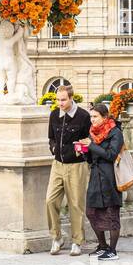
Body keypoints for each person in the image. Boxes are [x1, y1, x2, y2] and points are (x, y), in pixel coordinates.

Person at [45, 85, 91, 255]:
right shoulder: (54, 115)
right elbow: (51, 138)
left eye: (63, 100)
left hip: (77, 166)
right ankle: (56, 237)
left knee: (76, 204)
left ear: (72, 98)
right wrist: (53, 149)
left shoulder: (83, 116)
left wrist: (80, 150)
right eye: (58, 99)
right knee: (50, 200)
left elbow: (88, 140)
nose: (60, 103)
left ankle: (77, 241)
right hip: (57, 165)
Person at [75, 102, 124, 261]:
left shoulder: (115, 132)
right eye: (91, 117)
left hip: (110, 177)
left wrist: (92, 146)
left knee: (111, 213)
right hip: (96, 175)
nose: (92, 120)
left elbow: (110, 155)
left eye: (95, 117)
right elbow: (91, 158)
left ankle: (112, 250)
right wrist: (83, 151)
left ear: (104, 117)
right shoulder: (92, 133)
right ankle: (102, 245)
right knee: (91, 212)